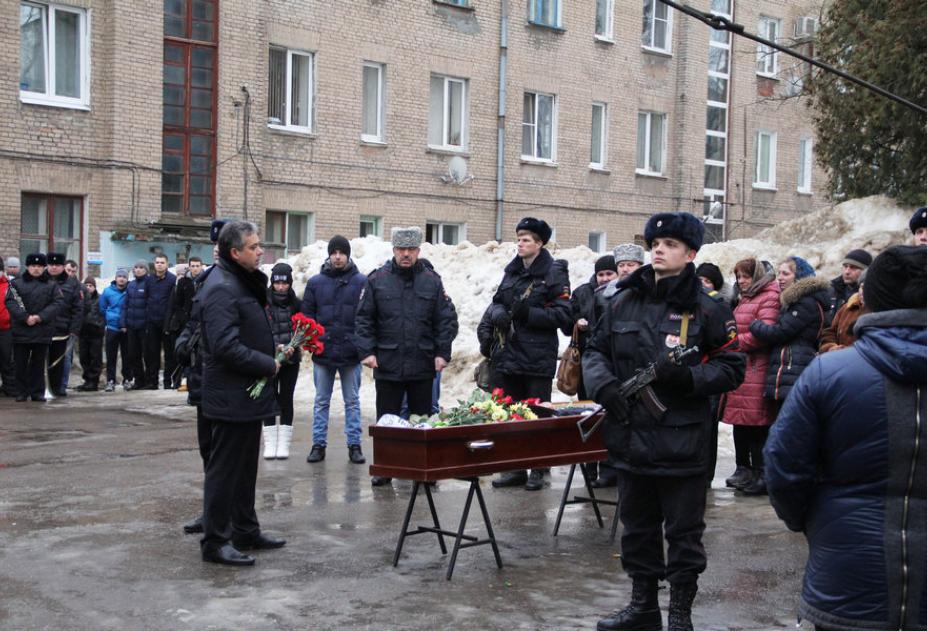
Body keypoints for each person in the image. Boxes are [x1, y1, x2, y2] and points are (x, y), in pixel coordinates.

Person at [583, 212, 745, 631]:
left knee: (684, 533)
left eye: (671, 244)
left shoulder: (708, 310)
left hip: (683, 444)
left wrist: (688, 377)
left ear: (691, 254)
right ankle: (643, 607)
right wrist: (605, 389)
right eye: (656, 243)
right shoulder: (621, 299)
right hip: (630, 436)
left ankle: (680, 615)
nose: (659, 249)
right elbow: (595, 351)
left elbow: (732, 369)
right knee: (637, 529)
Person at [764, 245, 927, 631]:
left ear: (869, 298)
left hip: (846, 576)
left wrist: (818, 521)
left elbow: (785, 467)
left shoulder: (830, 372)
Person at [197, 220, 285, 566]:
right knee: (224, 471)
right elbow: (223, 346)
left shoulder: (240, 281)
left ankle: (245, 530)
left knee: (246, 468)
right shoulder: (221, 286)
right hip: (230, 395)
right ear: (235, 252)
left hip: (247, 395)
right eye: (254, 247)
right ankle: (216, 541)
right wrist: (266, 363)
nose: (261, 251)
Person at [355, 226, 458, 487]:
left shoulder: (432, 281)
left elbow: (444, 321)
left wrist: (442, 353)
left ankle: (421, 469)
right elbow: (364, 319)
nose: (406, 254)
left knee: (421, 420)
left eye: (411, 249)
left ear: (418, 251)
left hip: (422, 363)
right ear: (393, 250)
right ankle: (386, 468)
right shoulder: (377, 280)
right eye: (401, 249)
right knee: (387, 420)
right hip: (388, 362)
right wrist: (367, 352)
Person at [488, 217, 572, 492]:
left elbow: (563, 315)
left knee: (537, 413)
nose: (520, 243)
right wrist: (498, 313)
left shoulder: (554, 273)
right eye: (519, 238)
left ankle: (538, 468)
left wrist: (530, 314)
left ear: (539, 244)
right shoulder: (511, 272)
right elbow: (497, 301)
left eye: (526, 239)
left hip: (537, 356)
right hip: (509, 354)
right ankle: (514, 468)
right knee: (512, 413)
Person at [175, 219, 227, 536]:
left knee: (224, 455)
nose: (219, 251)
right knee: (207, 449)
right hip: (200, 379)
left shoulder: (242, 283)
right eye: (216, 246)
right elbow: (192, 322)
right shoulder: (205, 279)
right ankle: (212, 511)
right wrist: (182, 342)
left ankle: (226, 515)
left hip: (223, 381)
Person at [301, 235, 367, 465]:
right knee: (321, 401)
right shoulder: (316, 283)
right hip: (324, 352)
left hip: (351, 353)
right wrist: (313, 340)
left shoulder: (361, 282)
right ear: (329, 255)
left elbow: (367, 317)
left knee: (352, 401)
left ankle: (354, 445)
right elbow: (306, 316)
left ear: (348, 254)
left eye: (342, 252)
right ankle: (318, 444)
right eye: (334, 252)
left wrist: (360, 343)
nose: (338, 257)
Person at [719, 258, 780, 494]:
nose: (741, 281)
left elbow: (763, 332)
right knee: (741, 423)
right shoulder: (746, 297)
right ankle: (744, 469)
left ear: (757, 277)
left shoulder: (769, 296)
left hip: (757, 368)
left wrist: (733, 344)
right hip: (743, 369)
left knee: (757, 424)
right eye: (738, 277)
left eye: (745, 276)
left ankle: (760, 473)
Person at [590, 243, 647, 489]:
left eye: (630, 265)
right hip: (611, 365)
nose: (625, 269)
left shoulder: (647, 295)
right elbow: (597, 335)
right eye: (621, 265)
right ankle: (609, 467)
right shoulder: (604, 295)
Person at [749, 256, 830, 423]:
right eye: (779, 273)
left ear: (798, 276)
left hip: (793, 368)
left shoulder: (805, 303)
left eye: (785, 273)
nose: (780, 277)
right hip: (789, 368)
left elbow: (780, 332)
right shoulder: (796, 301)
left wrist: (755, 325)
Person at [570, 254, 617, 483]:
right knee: (588, 415)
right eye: (601, 274)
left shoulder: (621, 293)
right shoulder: (582, 292)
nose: (605, 278)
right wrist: (577, 320)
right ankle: (589, 469)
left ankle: (608, 470)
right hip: (586, 365)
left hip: (611, 366)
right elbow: (568, 316)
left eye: (609, 274)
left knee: (608, 417)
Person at [5, 253, 64, 402]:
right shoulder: (16, 284)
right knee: (20, 364)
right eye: (33, 266)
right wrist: (26, 317)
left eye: (39, 266)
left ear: (44, 267)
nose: (36, 269)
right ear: (27, 267)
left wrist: (40, 317)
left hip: (42, 330)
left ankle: (37, 392)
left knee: (38, 364)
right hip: (21, 330)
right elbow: (12, 302)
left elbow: (57, 303)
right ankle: (21, 392)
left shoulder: (51, 285)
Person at [262, 262, 301, 460]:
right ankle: (270, 443)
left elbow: (302, 327)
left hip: (291, 359)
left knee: (286, 398)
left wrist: (295, 344)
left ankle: (284, 443)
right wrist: (275, 346)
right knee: (268, 397)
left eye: (284, 283)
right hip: (270, 359)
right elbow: (261, 329)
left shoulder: (296, 302)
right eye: (277, 283)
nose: (281, 287)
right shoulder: (264, 302)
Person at [45, 253, 83, 397]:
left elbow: (78, 308)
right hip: (42, 328)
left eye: (57, 265)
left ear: (62, 267)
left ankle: (58, 388)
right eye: (51, 264)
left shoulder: (72, 284)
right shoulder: (41, 280)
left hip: (63, 329)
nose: (54, 267)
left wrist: (74, 329)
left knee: (61, 361)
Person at [167, 257, 202, 391]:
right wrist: (183, 318)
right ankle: (182, 380)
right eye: (192, 266)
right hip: (186, 322)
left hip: (200, 320)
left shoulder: (205, 280)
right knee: (185, 352)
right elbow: (178, 303)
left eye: (197, 265)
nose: (195, 268)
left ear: (201, 266)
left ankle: (192, 381)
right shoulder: (183, 282)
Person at [145, 254, 177, 389]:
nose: (159, 265)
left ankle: (168, 382)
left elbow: (174, 301)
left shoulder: (172, 280)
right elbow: (146, 298)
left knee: (169, 355)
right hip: (152, 321)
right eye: (157, 262)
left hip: (167, 322)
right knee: (152, 353)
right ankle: (153, 382)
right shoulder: (149, 280)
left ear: (167, 264)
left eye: (162, 262)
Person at [818, 270, 865, 353]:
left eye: (869, 288)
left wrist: (846, 353)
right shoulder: (847, 307)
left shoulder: (880, 312)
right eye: (862, 287)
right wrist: (831, 347)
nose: (863, 292)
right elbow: (830, 331)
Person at [120, 260, 150, 391]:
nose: (138, 270)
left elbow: (150, 304)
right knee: (132, 354)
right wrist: (123, 322)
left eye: (141, 267)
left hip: (144, 325)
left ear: (146, 270)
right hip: (131, 325)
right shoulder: (130, 285)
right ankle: (139, 380)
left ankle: (149, 380)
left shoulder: (149, 283)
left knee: (147, 354)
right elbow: (125, 305)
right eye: (136, 267)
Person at [100, 269, 130, 392]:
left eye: (124, 276)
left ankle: (127, 379)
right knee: (111, 356)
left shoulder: (130, 291)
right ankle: (110, 380)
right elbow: (102, 308)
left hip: (126, 328)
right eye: (119, 276)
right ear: (116, 278)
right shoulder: (107, 291)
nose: (121, 279)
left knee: (127, 355)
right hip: (112, 327)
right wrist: (109, 318)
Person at [76, 277, 105, 391]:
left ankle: (94, 381)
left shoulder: (100, 298)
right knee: (84, 357)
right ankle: (87, 380)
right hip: (83, 332)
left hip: (96, 332)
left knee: (95, 357)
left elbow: (103, 313)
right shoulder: (80, 298)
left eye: (90, 286)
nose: (88, 288)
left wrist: (99, 325)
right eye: (86, 285)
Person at [58, 258, 81, 392]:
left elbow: (80, 309)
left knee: (66, 357)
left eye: (73, 271)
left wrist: (74, 329)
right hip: (54, 327)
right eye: (68, 270)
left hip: (69, 328)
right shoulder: (55, 283)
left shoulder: (77, 286)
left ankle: (62, 386)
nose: (71, 273)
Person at [828, 248, 870, 318]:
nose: (847, 272)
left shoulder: (868, 294)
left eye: (853, 268)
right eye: (845, 266)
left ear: (865, 271)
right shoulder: (832, 289)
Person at [0, 258, 16, 397]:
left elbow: (17, 305)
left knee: (7, 359)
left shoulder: (10, 286)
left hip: (6, 328)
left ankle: (9, 387)